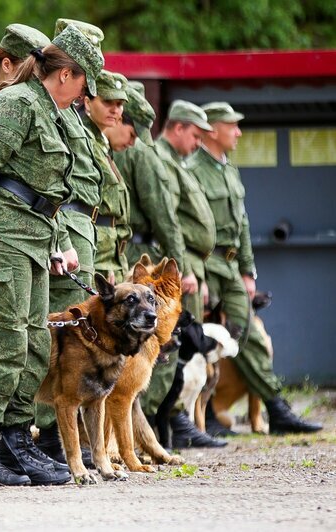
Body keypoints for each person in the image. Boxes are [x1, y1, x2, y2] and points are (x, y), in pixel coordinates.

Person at [0, 23, 102, 487]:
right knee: (1, 342)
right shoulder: (17, 105)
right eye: (84, 83)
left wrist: (55, 243)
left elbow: (45, 190)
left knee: (33, 342)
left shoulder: (50, 110)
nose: (85, 95)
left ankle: (13, 440)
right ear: (66, 74)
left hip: (32, 236)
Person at [190, 101, 322, 436]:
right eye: (232, 126)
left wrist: (249, 272)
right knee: (196, 339)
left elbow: (243, 225)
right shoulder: (192, 169)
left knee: (248, 334)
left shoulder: (228, 170)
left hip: (232, 267)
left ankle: (274, 409)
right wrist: (197, 273)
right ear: (213, 129)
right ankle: (196, 415)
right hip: (206, 264)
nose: (238, 132)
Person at [34, 18, 105, 466]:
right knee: (51, 344)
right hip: (56, 235)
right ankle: (41, 442)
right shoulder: (37, 105)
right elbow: (50, 183)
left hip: (74, 235)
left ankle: (52, 445)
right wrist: (60, 239)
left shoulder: (70, 114)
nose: (89, 95)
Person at [111, 83, 189, 434]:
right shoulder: (140, 153)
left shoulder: (123, 148)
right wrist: (179, 261)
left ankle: (153, 425)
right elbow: (162, 212)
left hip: (123, 246)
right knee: (147, 345)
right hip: (137, 250)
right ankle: (159, 421)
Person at [154, 100, 226, 448]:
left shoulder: (177, 163)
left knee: (184, 344)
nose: (198, 143)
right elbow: (168, 221)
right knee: (173, 346)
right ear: (178, 127)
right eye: (195, 135)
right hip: (176, 265)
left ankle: (178, 418)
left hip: (190, 264)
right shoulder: (162, 162)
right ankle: (169, 421)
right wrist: (179, 269)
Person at [82, 70, 132, 283]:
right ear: (87, 103)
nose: (115, 110)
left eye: (120, 104)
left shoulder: (102, 144)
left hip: (109, 251)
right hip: (94, 250)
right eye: (108, 102)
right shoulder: (82, 140)